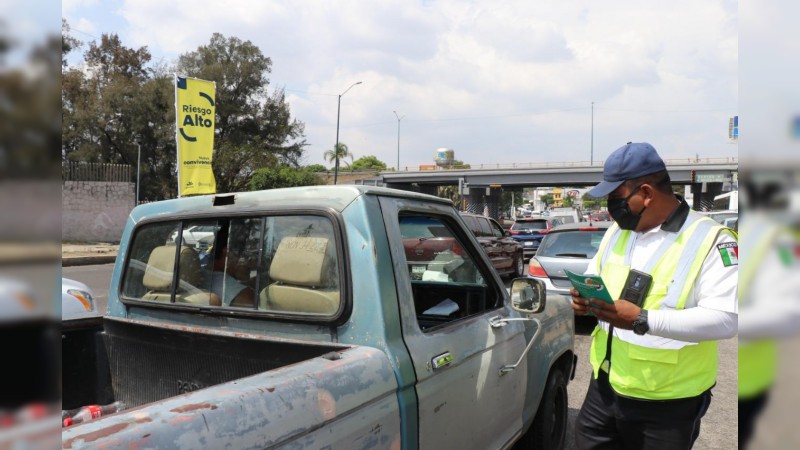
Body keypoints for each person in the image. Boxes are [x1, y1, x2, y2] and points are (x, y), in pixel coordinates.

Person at [571, 142, 738, 449]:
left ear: (646, 193)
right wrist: (584, 300)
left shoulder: (712, 240)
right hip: (606, 386)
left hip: (668, 403)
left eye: (615, 197)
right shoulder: (617, 231)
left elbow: (727, 319)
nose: (610, 206)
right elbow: (594, 277)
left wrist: (642, 319)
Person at [210, 226, 255, 307]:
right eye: (245, 254)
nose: (249, 261)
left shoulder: (203, 276)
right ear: (227, 253)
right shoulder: (243, 294)